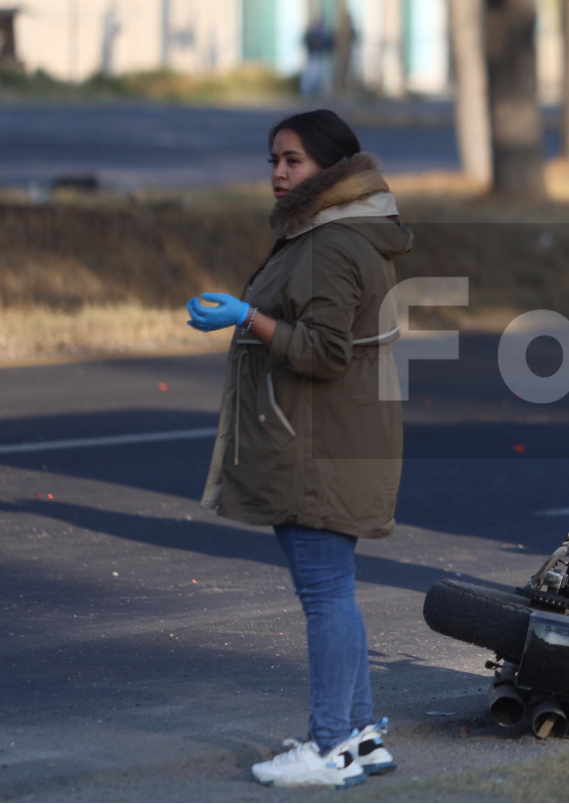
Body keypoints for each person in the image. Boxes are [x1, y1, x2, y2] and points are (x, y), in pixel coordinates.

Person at [186, 109, 412, 788]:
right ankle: (362, 735)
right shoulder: (329, 233)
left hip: (318, 443)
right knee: (332, 590)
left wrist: (248, 317)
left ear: (333, 170)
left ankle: (331, 745)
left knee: (325, 594)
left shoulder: (331, 243)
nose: (280, 174)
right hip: (324, 436)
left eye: (295, 162)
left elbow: (324, 350)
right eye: (274, 162)